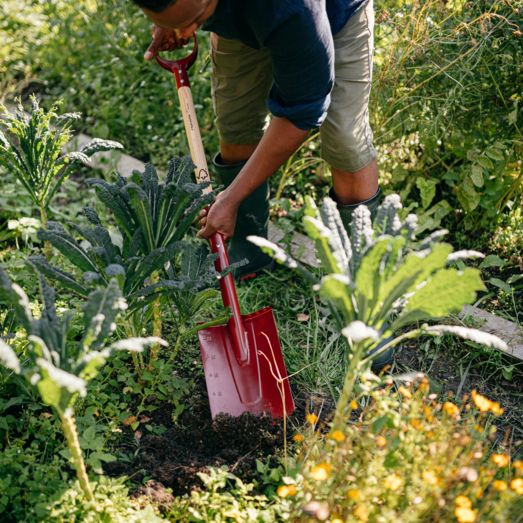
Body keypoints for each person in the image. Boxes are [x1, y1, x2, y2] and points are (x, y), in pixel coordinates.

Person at [134, 0, 381, 281]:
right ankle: (249, 253)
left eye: (194, 19)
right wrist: (170, 20)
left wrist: (231, 198)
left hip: (333, 15)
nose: (186, 31)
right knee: (236, 122)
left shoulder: (294, 9)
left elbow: (302, 112)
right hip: (239, 17)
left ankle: (361, 280)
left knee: (345, 140)